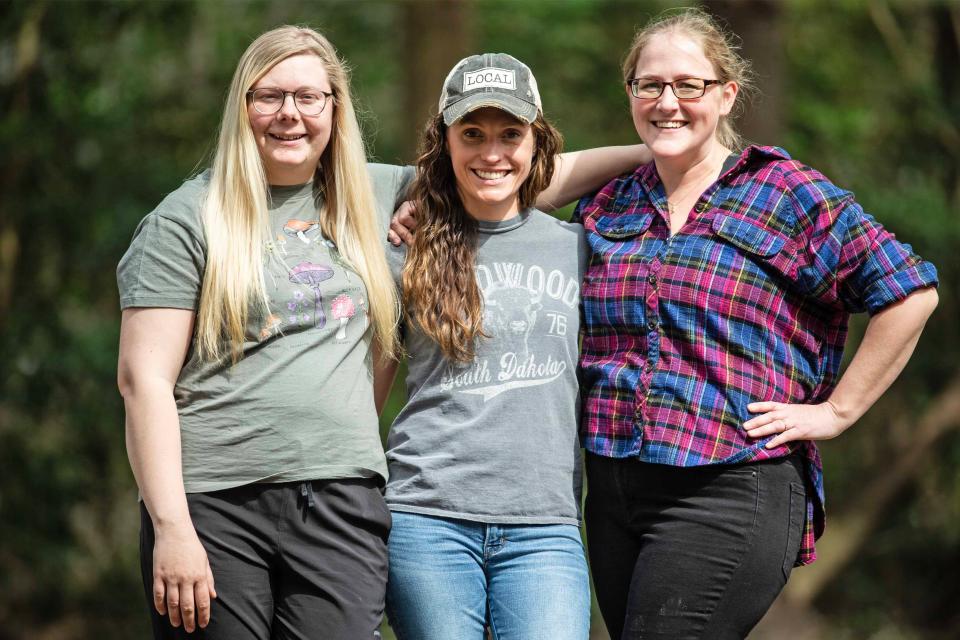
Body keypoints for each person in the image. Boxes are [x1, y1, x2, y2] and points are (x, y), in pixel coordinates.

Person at [117, 27, 647, 640]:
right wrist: (171, 526)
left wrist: (655, 153)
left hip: (342, 501)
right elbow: (142, 381)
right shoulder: (187, 217)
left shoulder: (370, 192)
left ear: (335, 108)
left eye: (309, 97)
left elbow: (506, 181)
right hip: (218, 499)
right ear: (243, 104)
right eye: (270, 96)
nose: (290, 114)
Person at [573, 9, 939, 639]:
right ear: (629, 93)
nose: (668, 100)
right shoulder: (613, 197)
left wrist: (838, 412)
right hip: (611, 490)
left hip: (731, 484)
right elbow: (517, 178)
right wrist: (664, 136)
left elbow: (910, 292)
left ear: (727, 93)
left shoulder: (782, 191)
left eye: (689, 86)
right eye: (649, 86)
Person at [377, 54, 598, 640]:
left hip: (544, 526)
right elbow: (368, 388)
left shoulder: (579, 248)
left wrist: (655, 151)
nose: (491, 152)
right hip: (427, 519)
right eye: (471, 133)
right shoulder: (405, 247)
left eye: (510, 134)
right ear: (443, 141)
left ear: (537, 142)